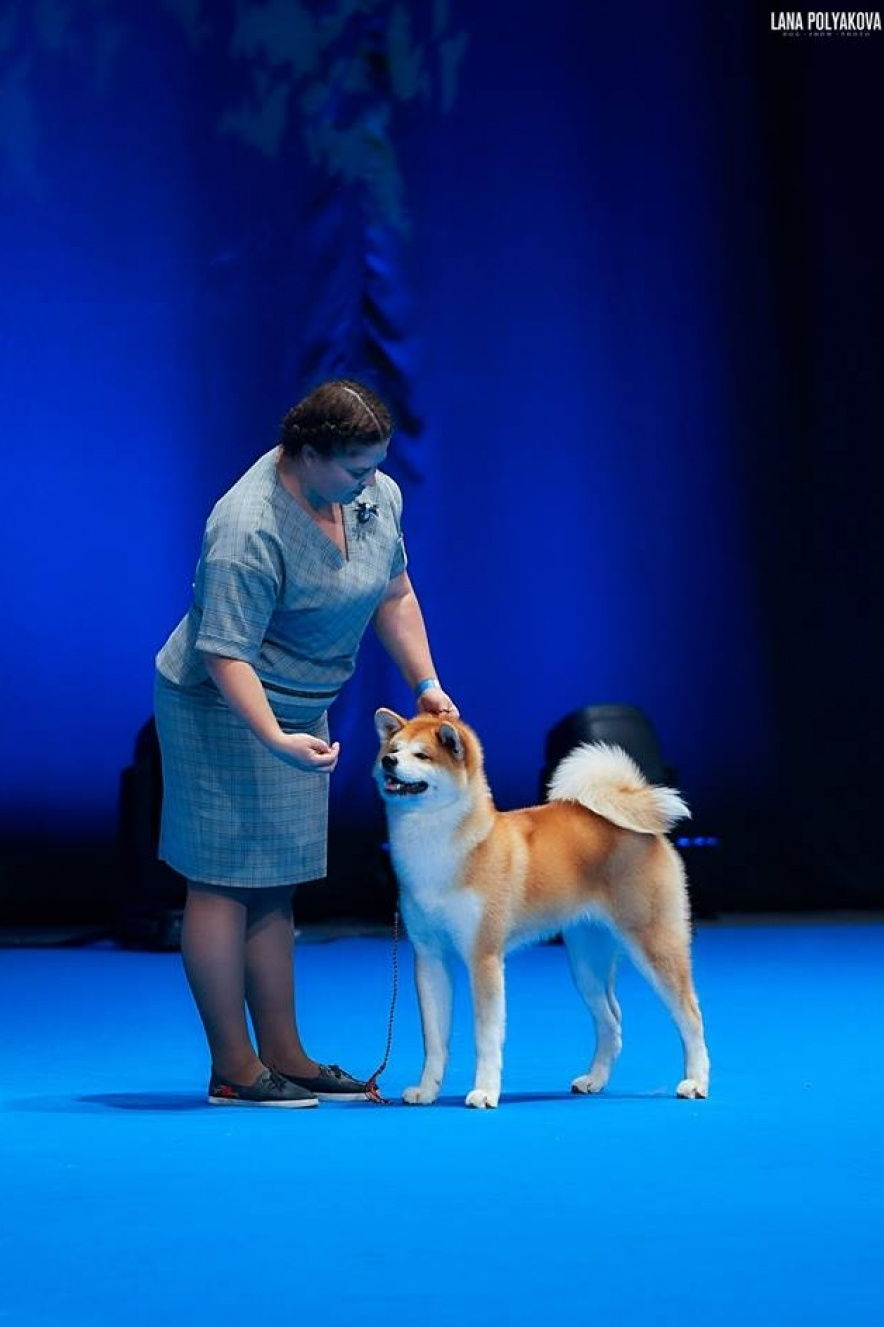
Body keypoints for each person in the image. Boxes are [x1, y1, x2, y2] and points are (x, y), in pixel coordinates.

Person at [154, 378, 458, 1108]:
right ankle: (233, 1065)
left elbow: (395, 592)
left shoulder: (373, 495)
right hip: (221, 705)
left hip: (300, 708)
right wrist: (273, 736)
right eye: (355, 468)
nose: (370, 483)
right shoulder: (246, 525)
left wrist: (426, 683)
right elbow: (226, 654)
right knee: (223, 879)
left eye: (376, 467)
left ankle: (285, 1054)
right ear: (308, 453)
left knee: (277, 879)